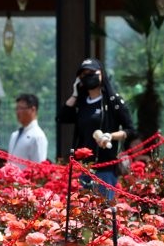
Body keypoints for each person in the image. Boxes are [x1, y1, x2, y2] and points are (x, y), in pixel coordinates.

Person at [58, 58, 136, 200]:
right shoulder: (81, 102)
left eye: (92, 72)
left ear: (101, 74)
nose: (88, 76)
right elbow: (62, 118)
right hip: (84, 168)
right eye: (84, 74)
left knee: (103, 211)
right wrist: (75, 93)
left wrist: (110, 136)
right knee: (83, 213)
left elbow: (130, 129)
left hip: (105, 168)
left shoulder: (113, 101)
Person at [8, 93, 48, 166]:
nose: (18, 112)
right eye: (17, 108)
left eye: (21, 108)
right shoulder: (15, 135)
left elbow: (39, 167)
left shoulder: (38, 136)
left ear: (33, 109)